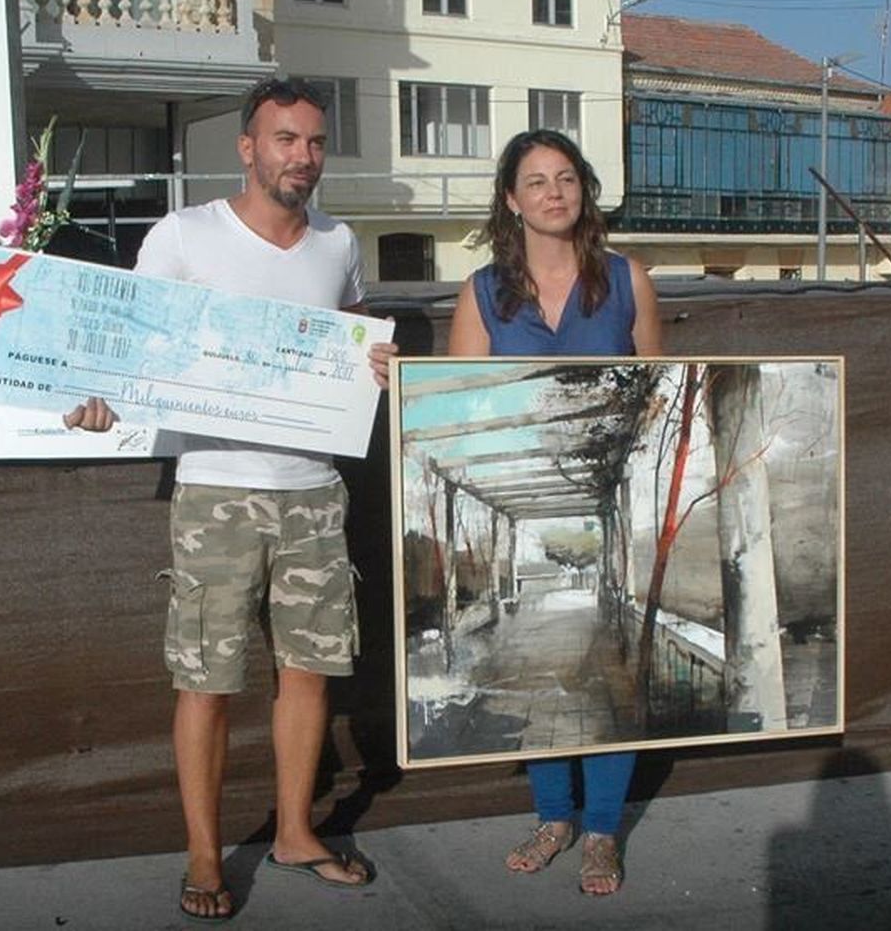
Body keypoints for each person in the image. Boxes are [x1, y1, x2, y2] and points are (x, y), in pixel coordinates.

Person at [66, 78, 396, 922]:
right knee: (205, 681)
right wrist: (101, 394)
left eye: (315, 141)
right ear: (247, 148)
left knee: (311, 673)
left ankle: (294, 832)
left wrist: (373, 366)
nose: (303, 156)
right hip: (214, 489)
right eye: (285, 138)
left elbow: (349, 340)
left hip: (316, 491)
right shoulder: (183, 235)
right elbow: (127, 346)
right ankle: (207, 854)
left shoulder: (339, 242)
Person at [447, 128, 661, 896]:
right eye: (535, 181)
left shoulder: (629, 279)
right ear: (512, 199)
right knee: (543, 681)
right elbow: (464, 408)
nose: (553, 193)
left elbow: (655, 395)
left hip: (600, 478)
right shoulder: (480, 293)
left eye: (565, 177)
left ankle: (601, 829)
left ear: (585, 189)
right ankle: (552, 814)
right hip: (530, 465)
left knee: (609, 679)